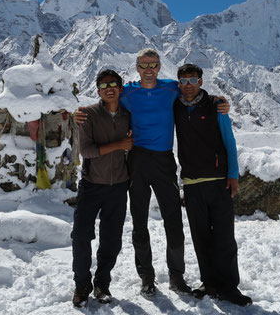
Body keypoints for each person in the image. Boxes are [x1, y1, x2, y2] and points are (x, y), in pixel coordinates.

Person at [119, 48, 230, 297]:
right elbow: (107, 102)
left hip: (164, 160)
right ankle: (146, 277)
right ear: (136, 67)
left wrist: (222, 103)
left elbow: (195, 92)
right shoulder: (128, 92)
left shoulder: (171, 88)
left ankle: (176, 276)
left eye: (153, 65)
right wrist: (78, 113)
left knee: (174, 221)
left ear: (159, 67)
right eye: (143, 65)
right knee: (139, 222)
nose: (148, 69)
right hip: (136, 159)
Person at [173, 63, 252, 307]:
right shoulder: (174, 105)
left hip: (218, 181)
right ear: (178, 84)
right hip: (192, 182)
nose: (188, 85)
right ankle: (209, 282)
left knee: (225, 237)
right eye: (184, 81)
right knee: (200, 237)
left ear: (201, 81)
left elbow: (229, 139)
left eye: (193, 80)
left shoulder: (216, 105)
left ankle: (228, 287)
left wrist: (233, 174)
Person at [71, 69, 133, 307]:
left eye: (114, 84)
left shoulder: (128, 115)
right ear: (98, 90)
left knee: (111, 239)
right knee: (80, 236)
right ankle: (81, 285)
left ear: (120, 88)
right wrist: (120, 144)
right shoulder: (87, 114)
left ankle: (102, 283)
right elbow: (86, 151)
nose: (109, 88)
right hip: (91, 185)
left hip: (118, 186)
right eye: (104, 84)